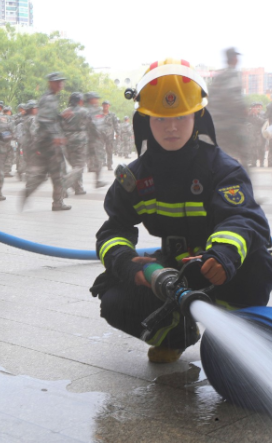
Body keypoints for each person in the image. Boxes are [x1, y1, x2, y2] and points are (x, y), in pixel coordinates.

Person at [91, 58, 272, 364]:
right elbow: (113, 231)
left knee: (256, 267)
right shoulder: (134, 180)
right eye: (160, 118)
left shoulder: (222, 169)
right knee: (114, 300)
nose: (171, 127)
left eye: (181, 117)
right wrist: (128, 265)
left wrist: (224, 254)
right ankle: (177, 335)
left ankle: (237, 335)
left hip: (223, 268)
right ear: (145, 120)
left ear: (197, 117)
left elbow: (244, 219)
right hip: (173, 272)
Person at [24, 72, 80, 211]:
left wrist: (61, 117)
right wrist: (56, 136)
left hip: (45, 142)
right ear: (50, 83)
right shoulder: (49, 99)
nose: (60, 84)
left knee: (44, 173)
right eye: (57, 82)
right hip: (50, 143)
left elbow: (50, 118)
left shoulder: (50, 98)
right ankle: (57, 202)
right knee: (58, 173)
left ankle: (30, 190)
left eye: (61, 81)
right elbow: (44, 120)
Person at [208, 48, 249, 169]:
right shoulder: (232, 75)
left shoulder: (219, 76)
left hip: (218, 124)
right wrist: (243, 109)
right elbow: (232, 96)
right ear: (234, 59)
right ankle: (244, 181)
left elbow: (210, 99)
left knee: (220, 154)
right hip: (231, 124)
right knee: (244, 153)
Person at [60, 92, 90, 195]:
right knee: (80, 166)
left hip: (67, 141)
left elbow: (59, 126)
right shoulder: (84, 111)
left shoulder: (64, 111)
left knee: (75, 166)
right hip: (80, 141)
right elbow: (91, 126)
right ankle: (64, 184)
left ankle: (78, 187)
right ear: (80, 101)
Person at [100, 101, 120, 171]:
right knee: (100, 149)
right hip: (100, 134)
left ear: (109, 106)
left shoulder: (112, 114)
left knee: (109, 150)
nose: (105, 106)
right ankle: (102, 162)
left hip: (109, 134)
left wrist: (117, 132)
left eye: (107, 105)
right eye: (104, 105)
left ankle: (109, 165)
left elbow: (115, 124)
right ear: (102, 105)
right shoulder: (99, 114)